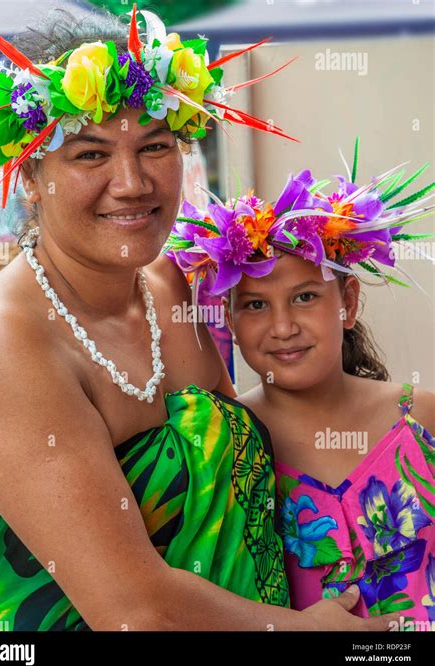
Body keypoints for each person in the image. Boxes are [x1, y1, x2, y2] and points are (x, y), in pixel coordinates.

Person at [0, 5, 389, 632]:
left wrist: (389, 425)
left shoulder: (165, 283)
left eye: (155, 146)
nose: (132, 183)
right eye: (90, 154)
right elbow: (135, 611)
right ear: (29, 175)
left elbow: (244, 439)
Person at [165, 142, 435, 625]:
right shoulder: (229, 444)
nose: (283, 326)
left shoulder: (422, 419)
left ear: (347, 303)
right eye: (255, 305)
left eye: (305, 297)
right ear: (228, 317)